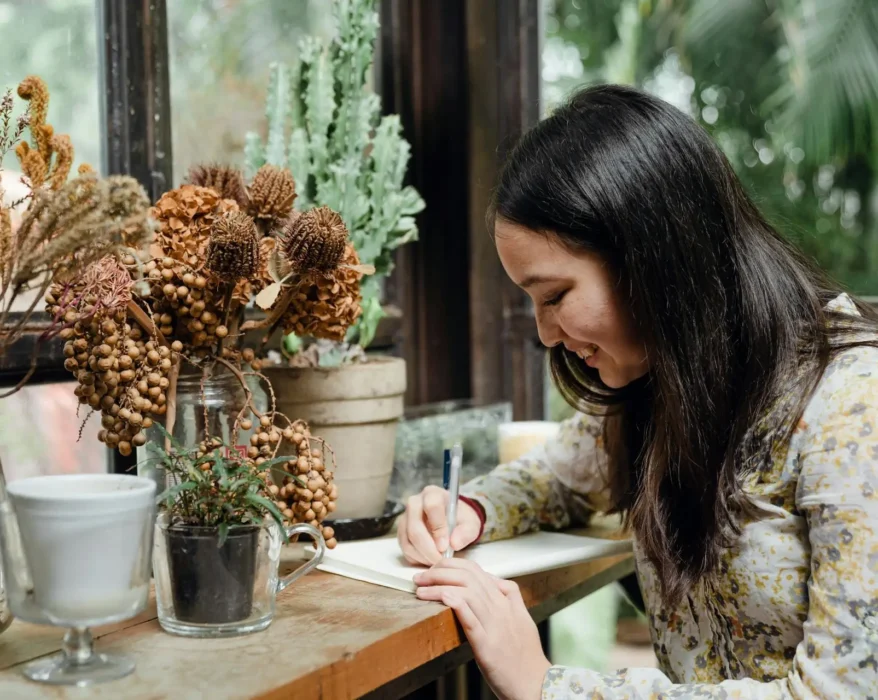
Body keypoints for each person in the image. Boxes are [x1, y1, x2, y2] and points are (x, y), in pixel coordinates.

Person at [397, 84, 878, 699]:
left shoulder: (850, 406)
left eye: (556, 296)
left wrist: (549, 686)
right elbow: (559, 476)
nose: (546, 334)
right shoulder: (665, 383)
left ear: (651, 257)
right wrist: (470, 509)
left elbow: (838, 694)